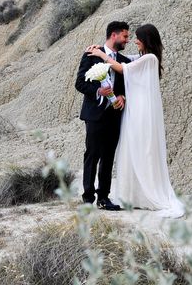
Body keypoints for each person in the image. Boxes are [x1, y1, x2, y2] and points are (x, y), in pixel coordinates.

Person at [86, 24, 184, 217]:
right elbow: (123, 61)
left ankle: (148, 193)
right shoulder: (142, 58)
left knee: (142, 149)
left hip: (141, 111)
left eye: (137, 38)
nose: (134, 41)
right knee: (132, 149)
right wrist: (101, 51)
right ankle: (136, 194)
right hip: (134, 109)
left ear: (146, 40)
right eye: (131, 37)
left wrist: (100, 55)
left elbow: (122, 68)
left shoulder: (149, 58)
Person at [75, 21, 132, 210]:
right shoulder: (91, 54)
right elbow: (80, 83)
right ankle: (88, 198)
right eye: (125, 36)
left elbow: (127, 84)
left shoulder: (123, 60)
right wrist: (98, 91)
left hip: (115, 114)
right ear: (114, 35)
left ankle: (103, 198)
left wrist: (122, 95)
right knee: (92, 154)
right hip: (95, 114)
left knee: (108, 156)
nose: (127, 40)